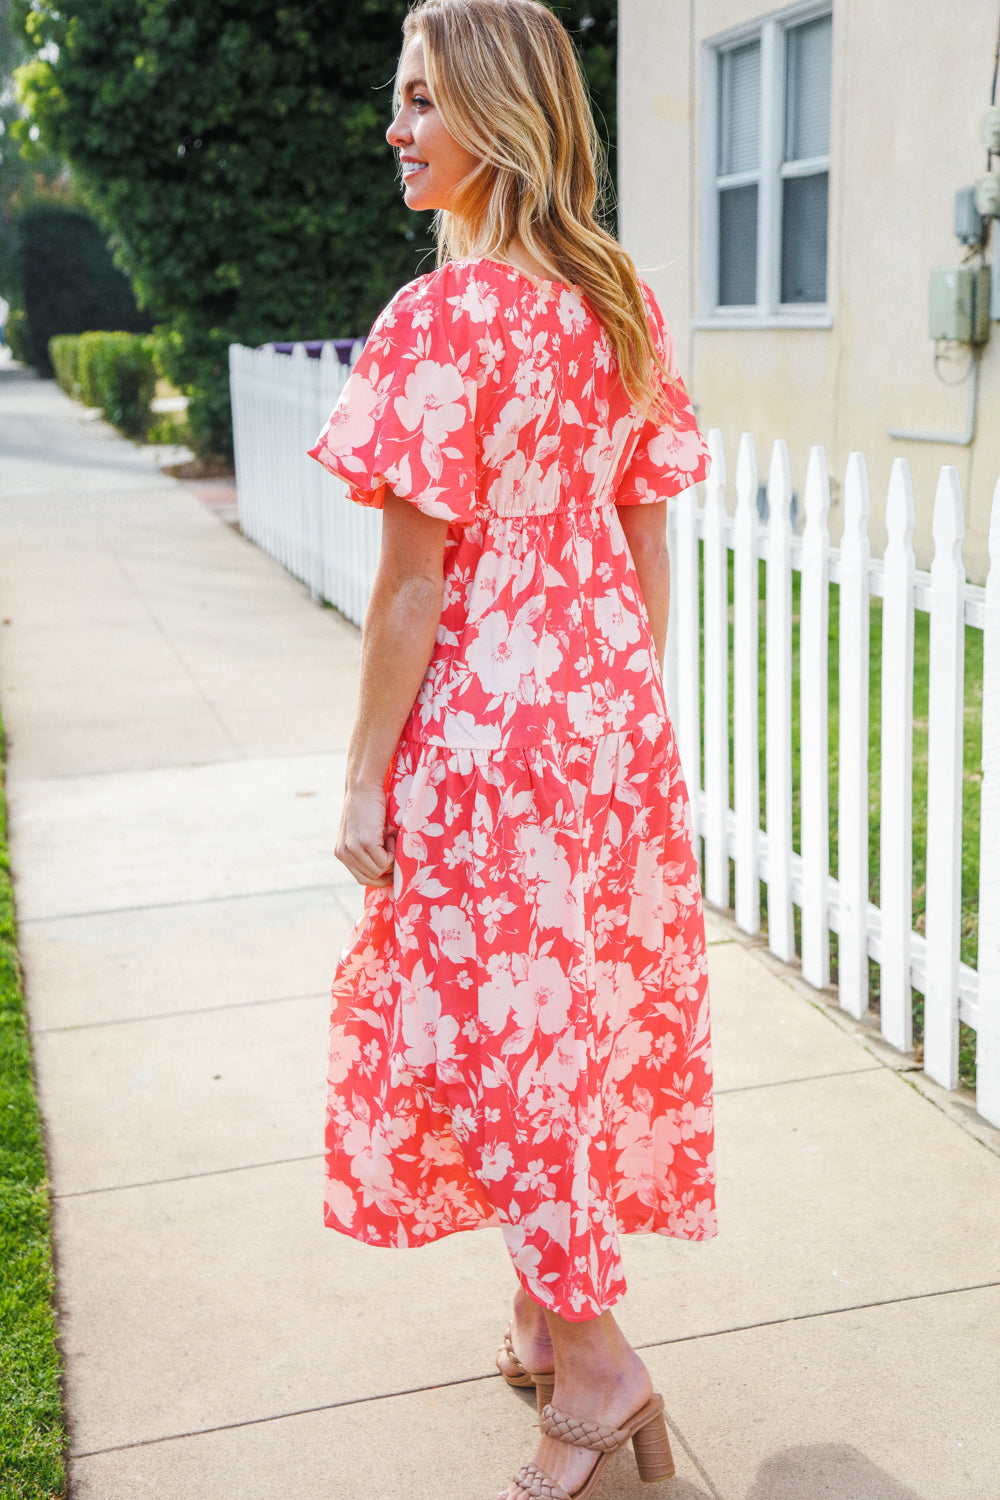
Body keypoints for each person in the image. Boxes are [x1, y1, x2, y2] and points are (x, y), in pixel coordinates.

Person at [308, 2, 715, 1495]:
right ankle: (551, 1320)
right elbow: (646, 534)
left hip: (489, 738)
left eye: (420, 100)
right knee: (573, 1025)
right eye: (397, 101)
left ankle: (600, 1369)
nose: (397, 128)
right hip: (607, 723)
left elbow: (413, 586)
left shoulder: (442, 320)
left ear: (498, 111)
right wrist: (619, 706)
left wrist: (363, 770)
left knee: (500, 1045)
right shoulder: (625, 303)